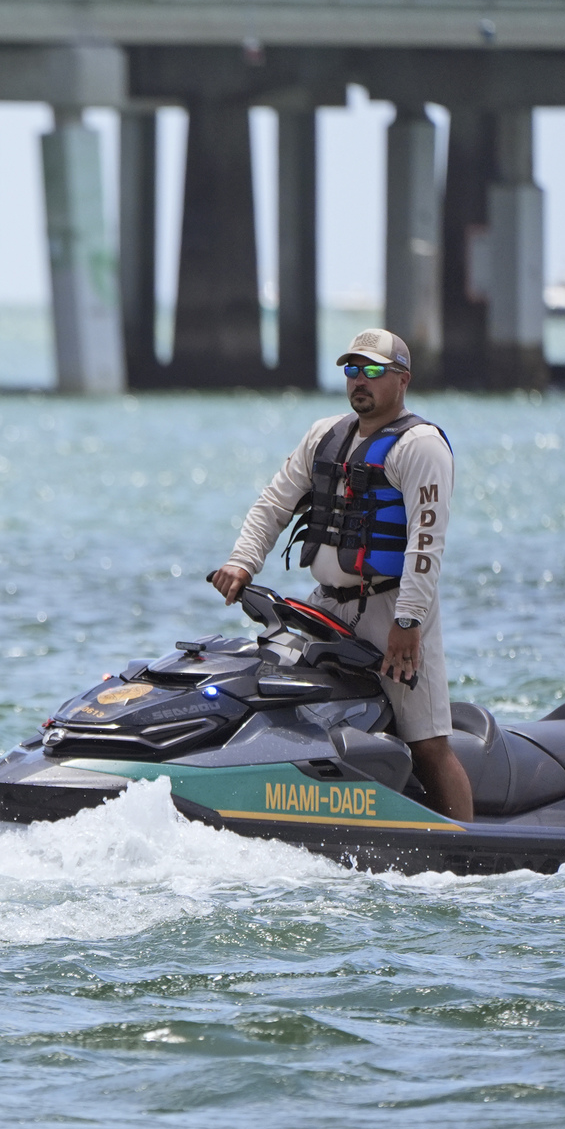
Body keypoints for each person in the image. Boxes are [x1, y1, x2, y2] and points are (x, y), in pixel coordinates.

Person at [209, 329, 474, 821]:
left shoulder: (421, 447)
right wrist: (242, 561)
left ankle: (466, 847)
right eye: (352, 370)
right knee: (295, 711)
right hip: (325, 606)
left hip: (394, 609)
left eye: (373, 371)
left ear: (402, 380)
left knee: (428, 740)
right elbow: (274, 503)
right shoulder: (324, 436)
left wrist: (409, 625)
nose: (360, 381)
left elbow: (425, 545)